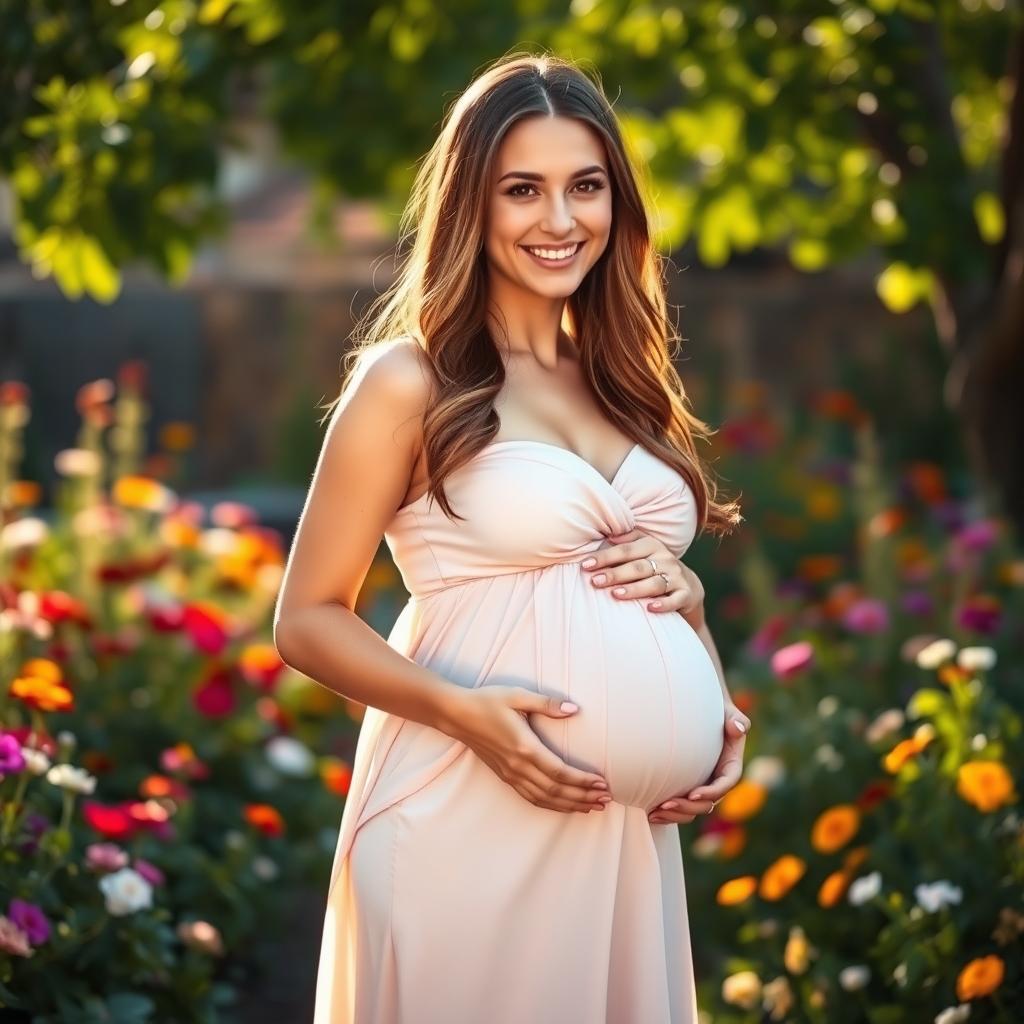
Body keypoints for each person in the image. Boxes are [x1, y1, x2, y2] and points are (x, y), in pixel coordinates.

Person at [273, 51, 749, 1024]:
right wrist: (467, 715)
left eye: (586, 186)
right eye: (522, 189)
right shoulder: (410, 382)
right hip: (464, 815)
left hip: (621, 845)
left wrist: (703, 669)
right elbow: (307, 620)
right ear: (471, 205)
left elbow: (636, 601)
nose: (561, 219)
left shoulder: (624, 382)